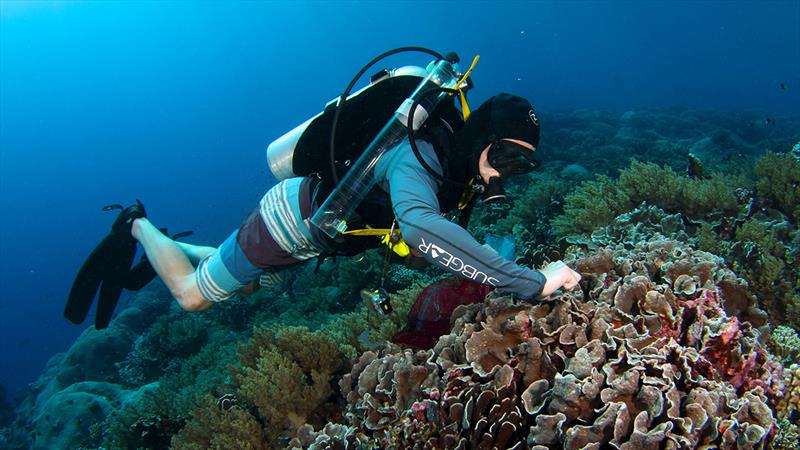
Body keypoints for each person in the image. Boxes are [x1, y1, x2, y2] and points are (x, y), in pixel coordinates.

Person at [66, 92, 581, 327]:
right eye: (508, 156)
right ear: (483, 139)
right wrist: (529, 282)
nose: (506, 174)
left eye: (523, 167)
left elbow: (419, 239)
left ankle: (184, 247)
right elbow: (423, 231)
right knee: (192, 298)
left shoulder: (454, 171)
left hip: (313, 239)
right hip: (283, 226)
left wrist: (485, 258)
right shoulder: (417, 156)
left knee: (242, 282)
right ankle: (136, 224)